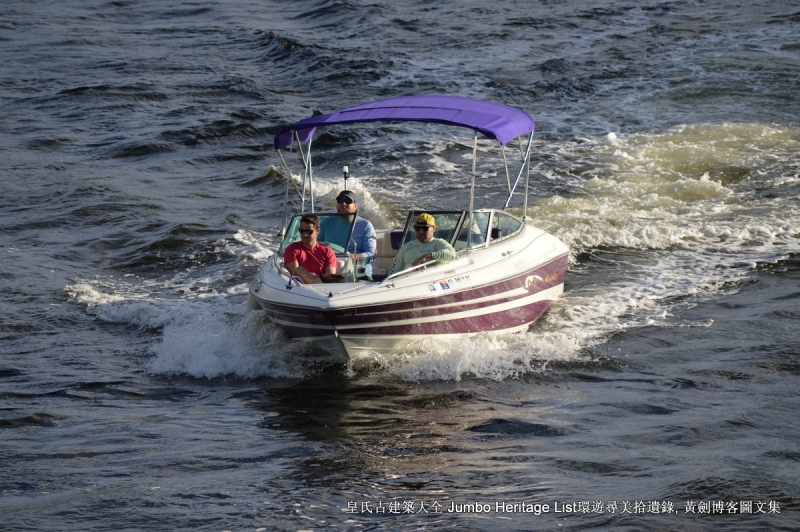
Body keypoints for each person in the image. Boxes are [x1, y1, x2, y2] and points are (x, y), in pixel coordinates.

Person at [319, 190, 377, 281]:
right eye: (340, 201)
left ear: (355, 206)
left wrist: (350, 257)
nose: (344, 204)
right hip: (329, 272)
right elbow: (316, 247)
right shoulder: (326, 222)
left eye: (348, 201)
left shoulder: (365, 225)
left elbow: (371, 254)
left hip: (358, 274)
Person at [284, 214, 343, 284]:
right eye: (302, 231)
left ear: (317, 231)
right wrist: (321, 277)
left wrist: (320, 278)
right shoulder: (292, 249)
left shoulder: (327, 251)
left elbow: (330, 277)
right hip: (300, 288)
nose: (305, 235)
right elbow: (295, 275)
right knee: (299, 270)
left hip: (322, 288)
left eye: (308, 232)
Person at [390, 213, 457, 274]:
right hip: (405, 283)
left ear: (433, 229)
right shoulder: (406, 247)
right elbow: (395, 272)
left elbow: (452, 254)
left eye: (425, 228)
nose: (421, 231)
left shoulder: (438, 243)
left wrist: (427, 256)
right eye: (417, 228)